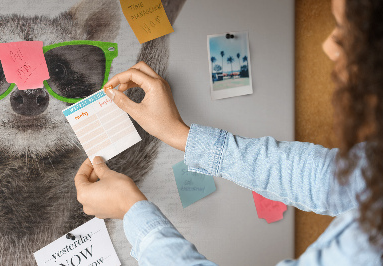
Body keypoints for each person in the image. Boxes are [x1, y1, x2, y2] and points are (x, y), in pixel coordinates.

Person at [74, 0, 383, 264]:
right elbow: (323, 177)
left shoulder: (368, 246)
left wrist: (132, 211)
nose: (329, 46)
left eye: (347, 30)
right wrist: (179, 134)